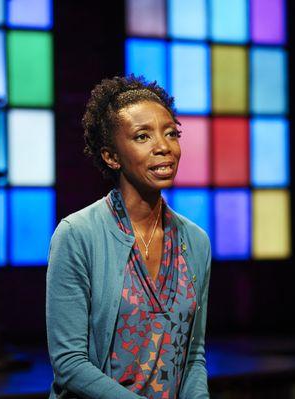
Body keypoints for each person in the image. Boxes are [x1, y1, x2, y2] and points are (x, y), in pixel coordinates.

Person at [46, 75, 211, 399]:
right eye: (142, 136)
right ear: (111, 156)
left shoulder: (195, 241)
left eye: (170, 134)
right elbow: (69, 363)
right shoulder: (78, 235)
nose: (163, 147)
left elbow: (193, 356)